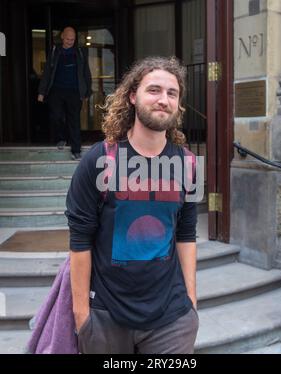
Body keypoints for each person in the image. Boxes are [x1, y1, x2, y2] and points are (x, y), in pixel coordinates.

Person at [65, 56, 199, 354]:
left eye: (172, 93)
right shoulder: (100, 160)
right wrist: (81, 315)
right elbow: (80, 240)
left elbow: (186, 235)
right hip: (105, 317)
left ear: (178, 104)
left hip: (172, 317)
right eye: (154, 90)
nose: (163, 99)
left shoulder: (188, 164)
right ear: (132, 96)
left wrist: (191, 301)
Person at [38, 26, 92, 160]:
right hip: (56, 90)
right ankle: (61, 137)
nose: (70, 41)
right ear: (62, 36)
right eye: (68, 39)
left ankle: (76, 150)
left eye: (72, 39)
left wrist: (87, 92)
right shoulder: (55, 50)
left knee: (74, 120)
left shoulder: (79, 52)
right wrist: (42, 92)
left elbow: (86, 73)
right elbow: (47, 73)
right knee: (56, 116)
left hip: (74, 90)